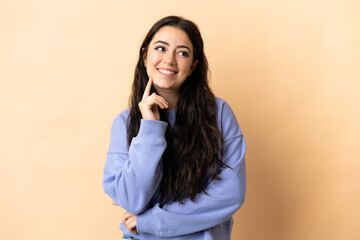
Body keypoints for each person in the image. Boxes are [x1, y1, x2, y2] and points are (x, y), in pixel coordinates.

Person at [103, 15, 246, 240]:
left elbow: (230, 193)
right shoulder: (125, 123)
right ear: (145, 57)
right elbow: (131, 199)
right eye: (160, 48)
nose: (169, 59)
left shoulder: (218, 113)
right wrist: (150, 127)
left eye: (182, 53)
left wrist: (151, 221)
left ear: (193, 67)